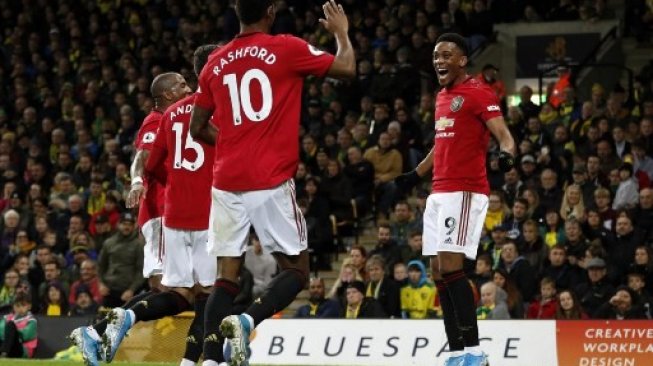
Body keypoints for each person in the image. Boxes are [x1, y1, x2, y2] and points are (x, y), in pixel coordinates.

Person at [189, 1, 355, 365]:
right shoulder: (285, 47)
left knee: (225, 276)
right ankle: (246, 321)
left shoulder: (215, 62)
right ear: (271, 11)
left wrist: (232, 143)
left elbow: (197, 127)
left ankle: (211, 359)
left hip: (226, 181)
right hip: (268, 179)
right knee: (297, 270)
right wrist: (341, 31)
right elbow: (346, 68)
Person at [396, 32, 515, 366]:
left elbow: (505, 137)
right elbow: (441, 142)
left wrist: (506, 157)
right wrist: (414, 175)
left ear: (463, 60)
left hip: (464, 190)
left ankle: (476, 352)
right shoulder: (441, 97)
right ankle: (457, 351)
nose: (439, 61)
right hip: (439, 191)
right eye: (436, 56)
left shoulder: (478, 93)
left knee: (451, 268)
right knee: (437, 272)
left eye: (446, 55)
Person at [101, 45, 219, 366]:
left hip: (178, 212)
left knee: (188, 294)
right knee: (180, 292)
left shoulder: (178, 113)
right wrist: (138, 182)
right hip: (168, 212)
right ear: (167, 94)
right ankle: (103, 330)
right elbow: (143, 156)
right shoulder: (160, 119)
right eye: (181, 85)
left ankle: (193, 359)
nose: (187, 87)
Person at [0, 293, 37, 358]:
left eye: (23, 305)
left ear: (29, 306)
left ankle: (4, 353)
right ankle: (4, 352)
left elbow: (26, 336)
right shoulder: (7, 317)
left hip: (22, 349)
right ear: (13, 307)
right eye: (17, 306)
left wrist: (13, 331)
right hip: (8, 345)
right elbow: (1, 331)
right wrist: (9, 335)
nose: (20, 308)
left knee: (10, 325)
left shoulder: (31, 320)